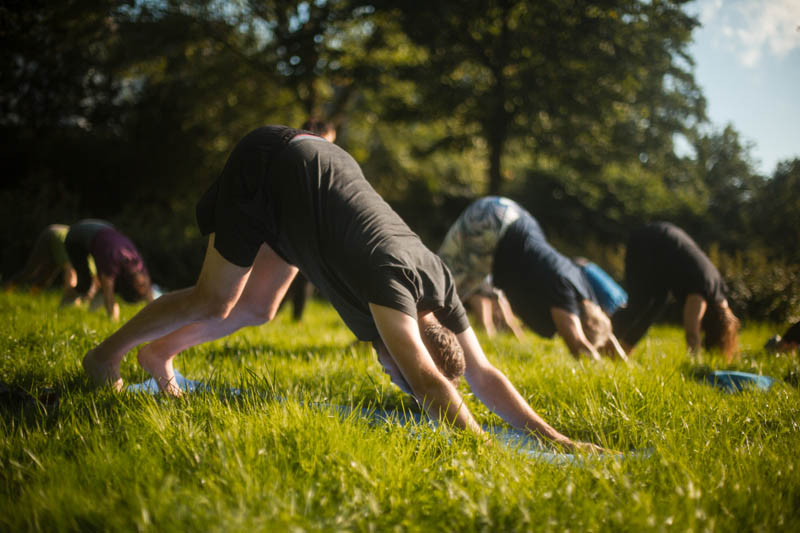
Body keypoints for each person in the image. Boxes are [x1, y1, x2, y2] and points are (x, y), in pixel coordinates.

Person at [83, 126, 605, 453]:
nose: (391, 376)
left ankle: (158, 354)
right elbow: (428, 382)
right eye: (395, 374)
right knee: (214, 298)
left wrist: (557, 439)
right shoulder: (392, 290)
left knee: (258, 308)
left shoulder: (441, 287)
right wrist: (483, 448)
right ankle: (104, 357)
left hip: (311, 178)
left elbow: (483, 374)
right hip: (273, 168)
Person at [438, 196, 627, 362]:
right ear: (581, 324)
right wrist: (605, 374)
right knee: (439, 293)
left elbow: (604, 331)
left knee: (452, 289)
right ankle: (427, 354)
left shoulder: (586, 297)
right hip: (492, 225)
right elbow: (578, 344)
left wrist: (624, 363)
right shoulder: (564, 299)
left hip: (510, 213)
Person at [612, 222, 740, 361]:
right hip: (647, 243)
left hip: (662, 239)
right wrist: (696, 362)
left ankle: (622, 349)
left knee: (657, 303)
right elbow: (692, 334)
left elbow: (726, 322)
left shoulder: (718, 293)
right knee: (639, 305)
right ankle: (605, 340)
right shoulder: (700, 293)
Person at [282, 118, 338, 321]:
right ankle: (279, 315)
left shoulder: (294, 156)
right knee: (293, 275)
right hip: (294, 231)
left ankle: (292, 318)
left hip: (301, 232)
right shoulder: (307, 160)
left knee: (300, 276)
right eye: (329, 141)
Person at [62, 219, 154, 321]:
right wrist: (113, 319)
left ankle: (91, 312)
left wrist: (156, 316)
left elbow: (149, 295)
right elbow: (108, 293)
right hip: (76, 235)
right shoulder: (112, 261)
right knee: (85, 284)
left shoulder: (140, 266)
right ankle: (64, 306)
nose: (143, 286)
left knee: (106, 282)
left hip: (105, 230)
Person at [4, 224, 86, 292]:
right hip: (53, 235)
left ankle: (32, 296)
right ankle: (7, 288)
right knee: (31, 270)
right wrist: (71, 293)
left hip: (57, 235)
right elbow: (70, 270)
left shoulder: (83, 247)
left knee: (48, 272)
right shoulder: (78, 243)